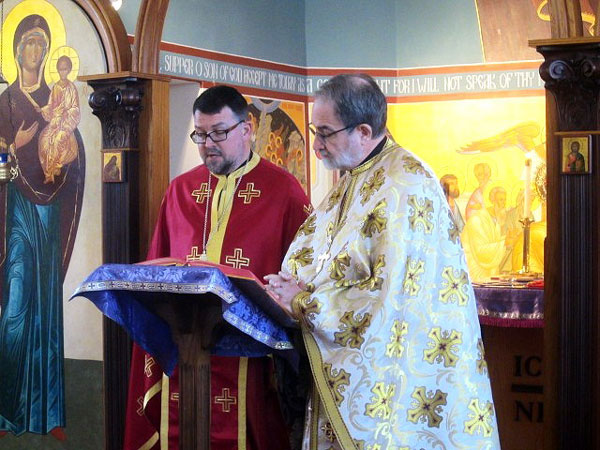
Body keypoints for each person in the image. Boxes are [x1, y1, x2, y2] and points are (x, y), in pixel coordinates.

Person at [265, 74, 500, 448]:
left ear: (363, 130)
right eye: (315, 130)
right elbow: (324, 254)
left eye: (325, 133)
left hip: (400, 376)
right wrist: (288, 287)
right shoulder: (356, 177)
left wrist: (305, 301)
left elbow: (390, 299)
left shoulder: (405, 185)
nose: (316, 146)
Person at [123, 85, 311, 450]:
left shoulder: (284, 192)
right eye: (200, 134)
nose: (208, 143)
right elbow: (159, 269)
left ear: (247, 128)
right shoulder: (180, 190)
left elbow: (302, 279)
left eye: (219, 133)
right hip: (183, 351)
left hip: (250, 361)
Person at [0, 14, 85, 439]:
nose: (34, 50)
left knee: (47, 308)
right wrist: (11, 148)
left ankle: (48, 415)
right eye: (27, 43)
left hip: (49, 211)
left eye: (40, 43)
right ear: (16, 50)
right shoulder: (4, 103)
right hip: (15, 210)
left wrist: (65, 152)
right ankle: (7, 412)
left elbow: (76, 151)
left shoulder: (59, 98)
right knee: (15, 306)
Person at [38, 55, 81, 184]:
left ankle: (54, 169)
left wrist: (65, 114)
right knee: (44, 139)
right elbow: (51, 105)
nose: (63, 72)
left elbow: (75, 109)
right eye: (60, 69)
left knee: (58, 139)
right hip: (55, 121)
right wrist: (44, 109)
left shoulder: (71, 88)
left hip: (67, 123)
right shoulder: (56, 87)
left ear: (69, 70)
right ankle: (48, 172)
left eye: (65, 69)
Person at [462, 186, 512, 281]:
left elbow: (492, 242)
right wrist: (504, 243)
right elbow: (480, 252)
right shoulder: (477, 220)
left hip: (487, 269)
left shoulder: (494, 221)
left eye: (504, 200)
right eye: (500, 200)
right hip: (475, 269)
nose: (503, 204)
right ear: (492, 201)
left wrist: (506, 239)